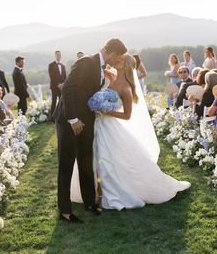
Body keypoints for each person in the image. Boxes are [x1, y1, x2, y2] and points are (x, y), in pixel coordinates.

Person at [71, 54, 190, 210]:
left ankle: (105, 194)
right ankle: (95, 192)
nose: (118, 60)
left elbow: (127, 115)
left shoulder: (126, 88)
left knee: (107, 160)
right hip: (96, 124)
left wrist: (107, 112)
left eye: (121, 59)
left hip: (109, 126)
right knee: (93, 158)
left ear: (126, 65)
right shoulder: (109, 78)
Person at [53, 38, 128, 223]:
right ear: (111, 53)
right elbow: (68, 90)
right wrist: (73, 119)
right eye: (118, 57)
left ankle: (89, 202)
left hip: (86, 121)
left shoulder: (103, 68)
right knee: (66, 164)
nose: (117, 60)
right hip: (69, 121)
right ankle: (64, 210)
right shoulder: (86, 62)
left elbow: (88, 92)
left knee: (86, 161)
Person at [48, 51, 67, 121]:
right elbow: (51, 76)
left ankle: (61, 116)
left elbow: (65, 77)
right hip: (54, 87)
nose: (59, 56)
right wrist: (58, 84)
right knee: (54, 101)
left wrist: (63, 84)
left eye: (60, 55)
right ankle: (52, 118)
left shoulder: (63, 66)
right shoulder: (51, 65)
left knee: (62, 102)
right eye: (57, 55)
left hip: (62, 87)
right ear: (55, 56)